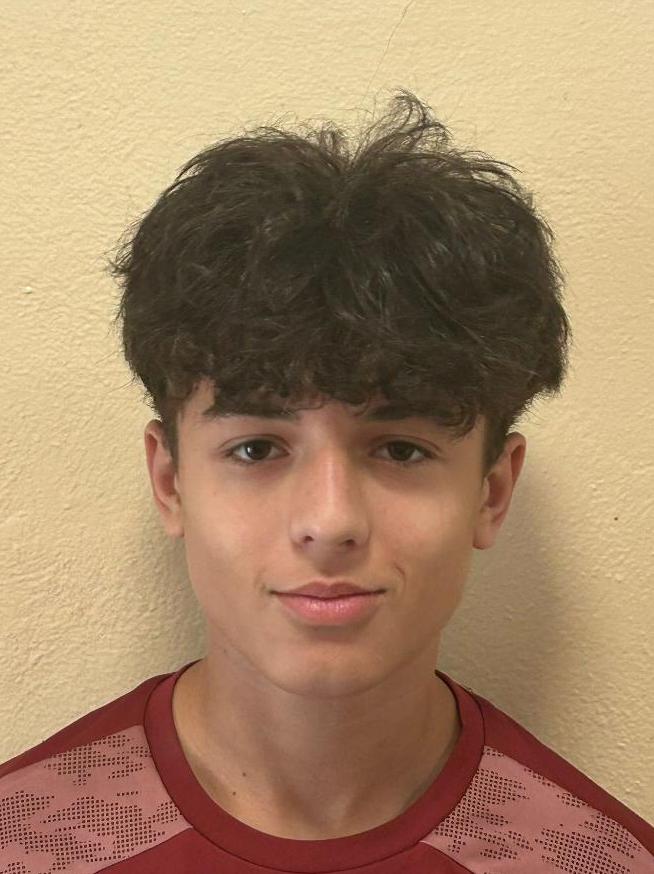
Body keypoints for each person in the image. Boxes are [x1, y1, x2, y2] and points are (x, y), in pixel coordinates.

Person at [1, 89, 651, 873]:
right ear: (170, 482)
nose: (331, 520)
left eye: (401, 450)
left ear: (491, 492)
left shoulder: (599, 861)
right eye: (256, 449)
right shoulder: (23, 844)